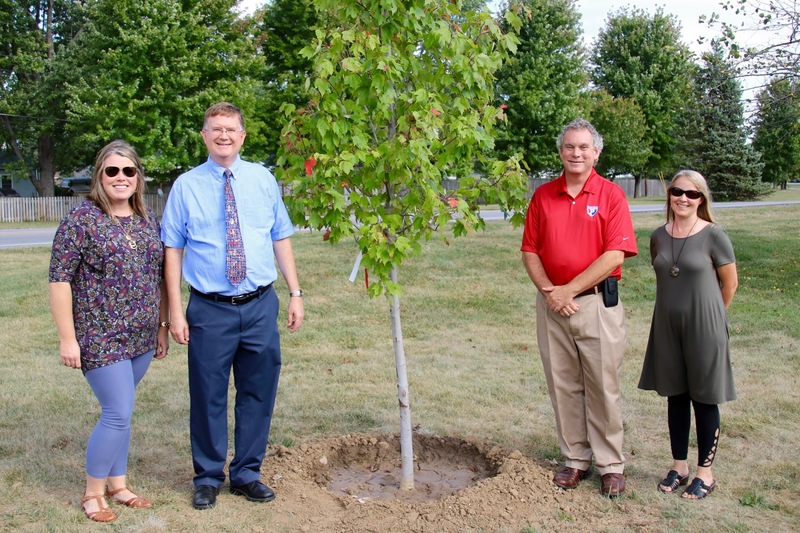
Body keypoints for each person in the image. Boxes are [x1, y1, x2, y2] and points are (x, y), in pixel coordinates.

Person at [161, 102, 304, 510]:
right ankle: (207, 477)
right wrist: (174, 309)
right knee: (208, 394)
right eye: (215, 129)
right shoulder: (186, 186)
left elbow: (280, 236)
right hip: (209, 308)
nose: (223, 136)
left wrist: (295, 292)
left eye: (231, 129)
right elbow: (173, 248)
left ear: (243, 136)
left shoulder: (263, 179)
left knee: (258, 391)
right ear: (204, 136)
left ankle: (246, 473)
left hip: (260, 304)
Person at [49, 140, 170, 523]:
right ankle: (93, 493)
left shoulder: (148, 218)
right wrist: (68, 338)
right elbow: (59, 280)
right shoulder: (81, 220)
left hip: (142, 336)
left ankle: (118, 484)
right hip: (100, 336)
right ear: (100, 176)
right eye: (112, 171)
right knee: (116, 412)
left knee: (124, 410)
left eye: (128, 171)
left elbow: (161, 275)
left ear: (138, 177)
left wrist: (162, 327)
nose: (121, 178)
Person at [520, 118, 638, 497]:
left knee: (602, 386)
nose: (576, 153)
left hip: (595, 305)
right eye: (570, 146)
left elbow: (615, 253)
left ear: (596, 152)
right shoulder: (543, 196)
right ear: (561, 151)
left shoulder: (610, 195)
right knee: (563, 384)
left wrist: (569, 290)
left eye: (584, 147)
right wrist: (549, 291)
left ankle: (610, 464)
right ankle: (575, 459)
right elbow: (530, 250)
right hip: (552, 304)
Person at [638, 170, 738, 500]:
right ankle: (679, 466)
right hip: (667, 326)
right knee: (676, 395)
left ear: (702, 199)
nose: (683, 198)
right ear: (669, 195)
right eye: (678, 191)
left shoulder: (714, 235)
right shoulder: (658, 235)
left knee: (705, 397)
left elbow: (730, 283)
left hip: (705, 326)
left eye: (692, 194)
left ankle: (705, 474)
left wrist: (711, 317)